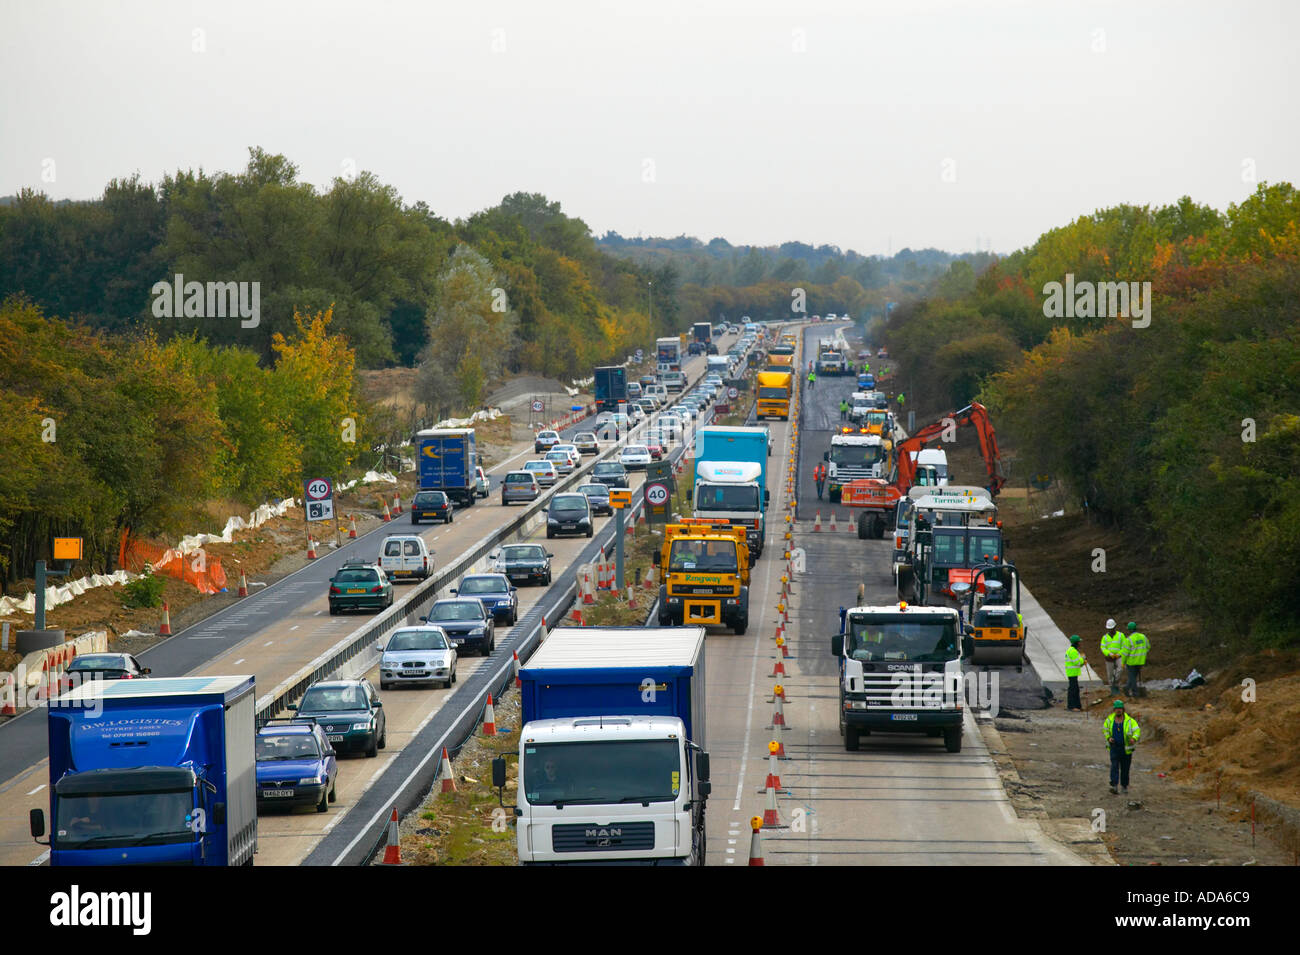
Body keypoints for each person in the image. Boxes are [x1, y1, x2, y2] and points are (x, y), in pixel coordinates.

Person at [1102, 700, 1140, 794]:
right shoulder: (1109, 720)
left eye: (1120, 709)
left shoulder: (1130, 721)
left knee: (1125, 768)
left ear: (1123, 709)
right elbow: (1105, 730)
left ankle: (1124, 786)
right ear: (1114, 710)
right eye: (1117, 709)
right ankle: (1114, 786)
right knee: (1114, 767)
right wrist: (1109, 738)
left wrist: (1134, 739)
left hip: (1126, 749)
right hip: (1114, 748)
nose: (1118, 710)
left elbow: (1137, 731)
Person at [1124, 621, 1149, 697]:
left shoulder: (1129, 639)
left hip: (1131, 662)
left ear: (1130, 630)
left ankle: (1135, 693)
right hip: (1141, 661)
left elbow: (1125, 653)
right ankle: (1127, 688)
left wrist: (1123, 662)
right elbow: (1148, 647)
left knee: (1132, 677)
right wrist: (1142, 654)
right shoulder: (1143, 637)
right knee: (1133, 676)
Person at [1100, 618, 1124, 693]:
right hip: (1109, 658)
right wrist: (1108, 654)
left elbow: (1124, 646)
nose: (1110, 630)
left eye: (1112, 628)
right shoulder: (1105, 637)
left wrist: (1119, 654)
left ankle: (1116, 684)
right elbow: (1103, 647)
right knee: (1110, 673)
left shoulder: (1121, 635)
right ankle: (1112, 687)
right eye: (1109, 629)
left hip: (1118, 656)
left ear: (1115, 627)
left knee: (1120, 669)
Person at [1064, 635, 1086, 711]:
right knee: (1073, 690)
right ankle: (1072, 706)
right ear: (1076, 643)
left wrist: (1082, 662)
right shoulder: (1072, 651)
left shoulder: (1072, 650)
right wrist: (1083, 659)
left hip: (1072, 673)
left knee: (1075, 689)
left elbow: (1077, 663)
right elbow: (1077, 662)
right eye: (1079, 642)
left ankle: (1077, 706)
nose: (1080, 643)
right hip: (1072, 673)